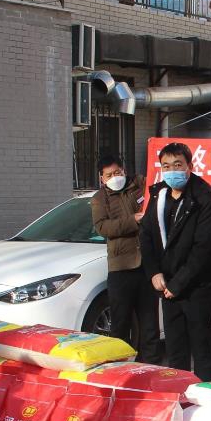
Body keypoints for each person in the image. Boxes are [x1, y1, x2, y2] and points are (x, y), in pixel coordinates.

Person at [139, 143, 211, 381]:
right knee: (175, 351)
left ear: (189, 166)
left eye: (177, 165)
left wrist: (178, 283)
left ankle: (204, 395)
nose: (172, 171)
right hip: (168, 287)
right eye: (166, 166)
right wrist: (154, 272)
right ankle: (179, 395)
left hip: (197, 288)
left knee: (202, 350)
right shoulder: (159, 195)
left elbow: (203, 249)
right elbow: (146, 234)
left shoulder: (203, 198)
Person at [91, 154, 159, 362]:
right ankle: (119, 368)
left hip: (146, 264)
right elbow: (103, 227)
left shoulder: (139, 185)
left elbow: (157, 189)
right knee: (120, 323)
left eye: (117, 172)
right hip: (121, 268)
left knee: (149, 323)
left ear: (124, 170)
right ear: (102, 178)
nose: (115, 177)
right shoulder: (99, 199)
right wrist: (132, 220)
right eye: (109, 175)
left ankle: (150, 365)